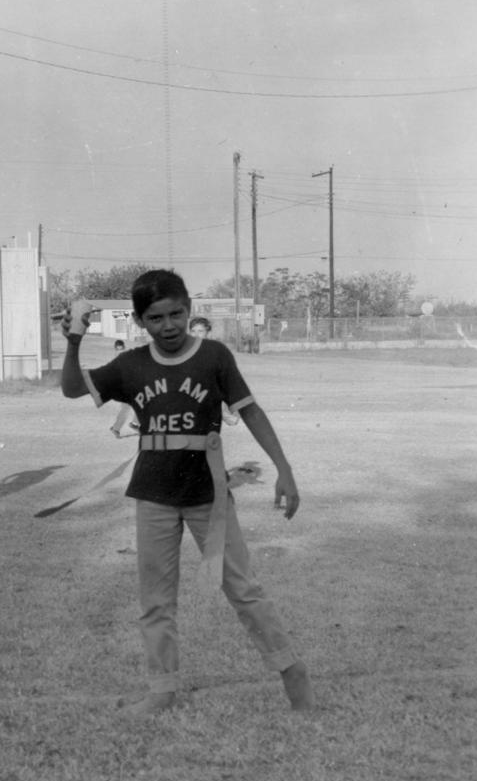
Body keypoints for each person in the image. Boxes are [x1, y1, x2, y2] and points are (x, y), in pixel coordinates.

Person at [60, 268, 314, 715]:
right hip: (154, 495)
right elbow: (71, 389)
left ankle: (291, 669)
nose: (169, 325)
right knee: (155, 598)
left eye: (176, 313)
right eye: (156, 318)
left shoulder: (213, 356)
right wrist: (74, 339)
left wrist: (284, 468)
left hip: (208, 495)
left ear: (189, 309)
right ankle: (161, 689)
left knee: (241, 587)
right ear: (140, 322)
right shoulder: (131, 365)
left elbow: (250, 411)